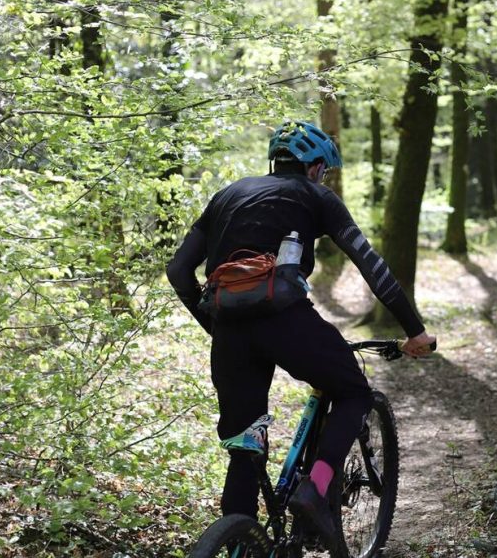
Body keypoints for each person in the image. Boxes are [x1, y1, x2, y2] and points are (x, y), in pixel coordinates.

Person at [166, 121, 436, 551]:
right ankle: (315, 489)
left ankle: (239, 544)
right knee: (352, 393)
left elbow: (179, 271)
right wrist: (414, 330)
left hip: (230, 333)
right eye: (323, 170)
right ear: (313, 167)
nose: (323, 177)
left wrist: (216, 328)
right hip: (287, 321)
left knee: (245, 445)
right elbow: (371, 264)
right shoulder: (317, 195)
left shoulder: (227, 195)